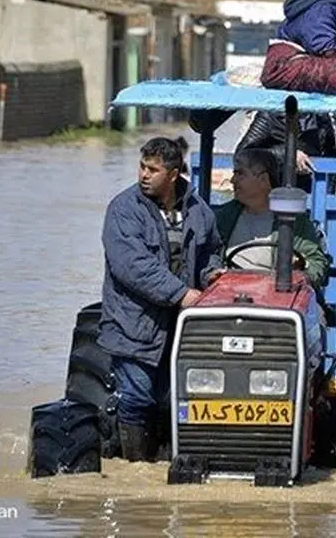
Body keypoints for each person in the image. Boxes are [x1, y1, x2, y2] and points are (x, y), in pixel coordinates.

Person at [96, 137, 224, 462]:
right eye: (142, 166)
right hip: (134, 326)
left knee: (176, 402)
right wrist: (181, 294)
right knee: (136, 397)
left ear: (174, 174)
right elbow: (132, 266)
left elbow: (212, 250)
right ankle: (135, 468)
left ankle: (168, 466)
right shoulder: (124, 210)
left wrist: (211, 275)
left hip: (179, 330)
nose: (143, 175)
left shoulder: (199, 212)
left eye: (153, 169)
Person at [215, 148, 330, 289]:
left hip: (274, 297)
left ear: (264, 179)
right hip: (228, 292)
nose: (233, 180)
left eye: (240, 174)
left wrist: (301, 270)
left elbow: (317, 264)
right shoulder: (224, 216)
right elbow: (207, 255)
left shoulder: (292, 220)